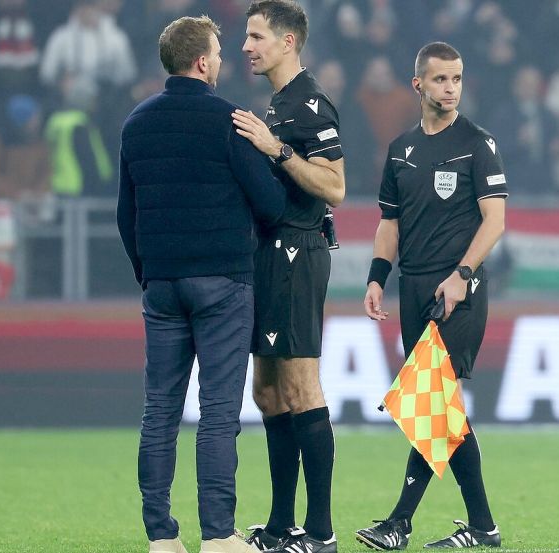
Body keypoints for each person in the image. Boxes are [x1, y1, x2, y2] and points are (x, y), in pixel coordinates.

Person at [117, 15, 285, 553]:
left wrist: (150, 272)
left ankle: (161, 536)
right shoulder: (228, 120)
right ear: (202, 62)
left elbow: (127, 214)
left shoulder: (137, 123)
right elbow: (271, 202)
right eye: (217, 51)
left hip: (162, 285)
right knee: (216, 412)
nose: (223, 59)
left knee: (159, 410)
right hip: (222, 284)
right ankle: (217, 534)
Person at [356, 41, 507, 551]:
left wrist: (464, 273)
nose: (451, 88)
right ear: (418, 84)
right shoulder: (401, 149)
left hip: (459, 289)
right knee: (438, 409)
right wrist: (378, 277)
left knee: (432, 402)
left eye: (457, 79)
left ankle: (399, 522)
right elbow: (389, 222)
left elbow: (495, 220)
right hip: (413, 288)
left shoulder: (477, 143)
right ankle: (483, 528)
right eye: (441, 79)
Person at [230, 2, 345, 552]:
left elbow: (335, 186)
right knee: (269, 391)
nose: (247, 46)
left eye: (256, 37)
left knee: (301, 387)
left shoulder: (311, 104)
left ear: (289, 41)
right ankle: (280, 527)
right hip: (267, 254)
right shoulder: (278, 104)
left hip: (298, 252)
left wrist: (274, 149)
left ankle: (320, 533)